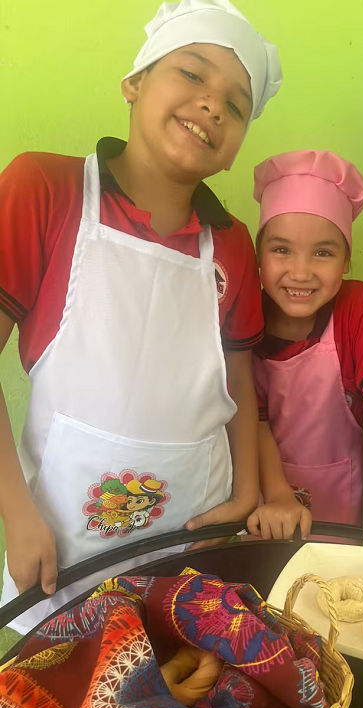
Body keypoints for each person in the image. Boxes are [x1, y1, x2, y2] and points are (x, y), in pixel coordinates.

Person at [0, 0, 282, 633]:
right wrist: (16, 514)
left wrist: (244, 494)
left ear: (236, 146)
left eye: (236, 105)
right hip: (65, 537)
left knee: (187, 696)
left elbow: (237, 380)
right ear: (133, 83)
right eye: (192, 73)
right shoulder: (45, 190)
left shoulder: (231, 241)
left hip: (196, 535)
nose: (213, 104)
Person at [246, 150, 363, 553]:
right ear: (258, 256)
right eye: (281, 250)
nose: (300, 272)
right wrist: (278, 495)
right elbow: (252, 419)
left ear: (347, 259)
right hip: (263, 500)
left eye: (323, 253)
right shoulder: (247, 315)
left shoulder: (356, 308)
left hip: (338, 512)